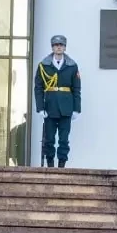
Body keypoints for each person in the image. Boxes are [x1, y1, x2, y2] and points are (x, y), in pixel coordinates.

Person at [33, 34, 81, 167]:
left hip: (66, 107)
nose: (58, 47)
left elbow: (76, 89)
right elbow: (38, 88)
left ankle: (61, 165)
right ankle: (50, 164)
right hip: (50, 106)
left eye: (61, 45)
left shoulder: (72, 66)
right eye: (56, 45)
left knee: (64, 140)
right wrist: (40, 108)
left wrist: (76, 109)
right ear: (52, 47)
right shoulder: (44, 65)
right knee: (49, 139)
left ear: (65, 47)